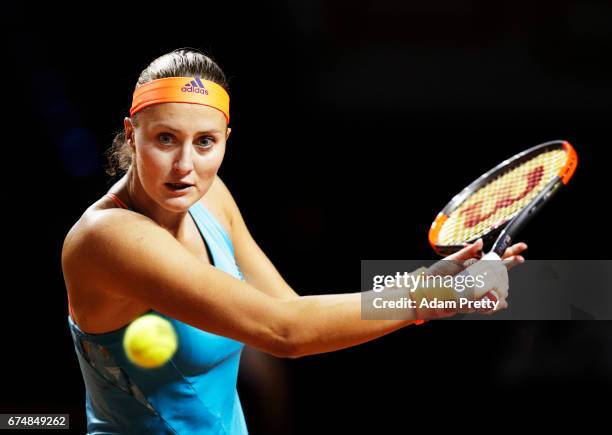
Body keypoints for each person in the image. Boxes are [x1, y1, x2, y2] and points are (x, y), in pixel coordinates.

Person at [61, 48, 527, 434]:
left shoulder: (210, 197)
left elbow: (292, 307)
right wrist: (425, 293)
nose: (186, 164)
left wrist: (433, 291)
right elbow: (285, 332)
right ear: (131, 133)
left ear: (226, 139)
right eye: (166, 138)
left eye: (205, 142)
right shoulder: (109, 238)